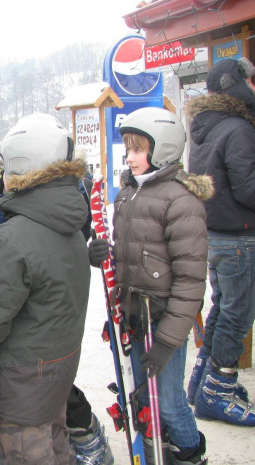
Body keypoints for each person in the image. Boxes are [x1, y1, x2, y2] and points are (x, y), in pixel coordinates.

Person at [0, 113, 91, 464]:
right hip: (58, 366)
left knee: (27, 452)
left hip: (24, 377)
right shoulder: (68, 222)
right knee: (56, 441)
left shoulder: (13, 239)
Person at [114, 107, 212, 464]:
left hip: (164, 320)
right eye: (128, 149)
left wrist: (169, 341)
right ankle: (161, 453)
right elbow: (129, 256)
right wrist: (102, 256)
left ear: (163, 149)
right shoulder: (127, 194)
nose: (131, 157)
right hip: (135, 315)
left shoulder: (181, 200)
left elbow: (190, 282)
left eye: (139, 149)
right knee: (143, 397)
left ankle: (189, 454)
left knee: (168, 402)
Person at [185, 57, 255, 427]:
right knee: (237, 316)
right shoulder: (239, 128)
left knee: (223, 309)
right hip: (240, 236)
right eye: (250, 80)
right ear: (236, 85)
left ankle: (203, 384)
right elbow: (247, 188)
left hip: (216, 234)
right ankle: (219, 391)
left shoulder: (205, 126)